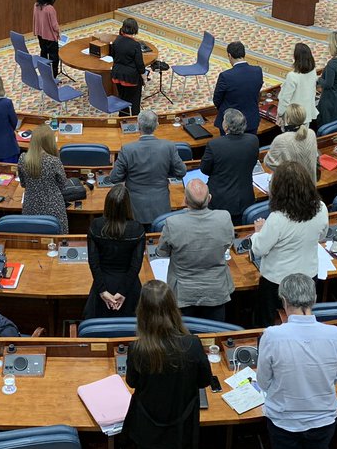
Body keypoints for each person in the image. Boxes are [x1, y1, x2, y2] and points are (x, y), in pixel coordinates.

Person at [125, 279, 212, 449]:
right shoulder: (192, 344)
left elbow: (132, 382)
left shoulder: (137, 349)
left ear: (141, 312)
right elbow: (204, 381)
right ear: (173, 309)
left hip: (148, 427)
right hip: (183, 426)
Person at [256, 272, 337, 449]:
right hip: (323, 420)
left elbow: (262, 382)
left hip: (283, 421)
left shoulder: (272, 335)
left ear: (285, 301)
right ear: (313, 299)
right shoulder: (335, 334)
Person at [250, 162, 327, 327]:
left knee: (267, 324)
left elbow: (259, 248)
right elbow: (322, 235)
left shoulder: (277, 218)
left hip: (277, 284)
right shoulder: (321, 208)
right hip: (308, 277)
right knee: (303, 322)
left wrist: (258, 232)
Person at [156, 176, 235, 320]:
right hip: (215, 290)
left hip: (183, 293)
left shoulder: (172, 223)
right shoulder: (224, 218)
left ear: (185, 201)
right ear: (209, 198)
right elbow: (228, 244)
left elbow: (162, 252)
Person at [108, 109, 185, 226]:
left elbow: (114, 178)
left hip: (134, 208)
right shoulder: (169, 146)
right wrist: (165, 172)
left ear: (138, 125)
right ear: (157, 125)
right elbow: (181, 172)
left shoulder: (127, 149)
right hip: (161, 206)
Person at [84, 184, 146, 319]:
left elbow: (93, 262)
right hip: (129, 286)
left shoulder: (96, 226)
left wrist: (102, 291)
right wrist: (123, 292)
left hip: (103, 282)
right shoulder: (137, 229)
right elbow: (136, 265)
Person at [202, 108, 260, 225]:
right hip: (246, 197)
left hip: (220, 201)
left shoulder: (214, 144)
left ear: (226, 126)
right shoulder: (253, 140)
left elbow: (205, 169)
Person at [17, 124, 68, 230]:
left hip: (30, 205)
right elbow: (63, 185)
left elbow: (23, 184)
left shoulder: (23, 159)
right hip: (53, 208)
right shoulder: (54, 161)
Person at [213, 41, 263, 133]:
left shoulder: (225, 76)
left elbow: (217, 100)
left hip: (230, 123)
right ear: (244, 54)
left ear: (230, 55)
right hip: (251, 120)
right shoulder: (258, 71)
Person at [266, 103, 318, 177]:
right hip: (310, 182)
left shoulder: (281, 139)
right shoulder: (311, 133)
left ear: (288, 119)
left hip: (290, 183)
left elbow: (269, 162)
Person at [109, 17, 147, 114]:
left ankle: (123, 117)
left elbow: (112, 55)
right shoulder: (135, 45)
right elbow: (140, 65)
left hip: (117, 75)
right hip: (131, 78)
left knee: (122, 98)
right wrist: (144, 78)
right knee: (134, 101)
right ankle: (134, 119)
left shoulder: (116, 40)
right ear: (135, 29)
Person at [277, 41, 318, 126]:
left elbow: (285, 98)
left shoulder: (292, 76)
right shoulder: (313, 71)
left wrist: (280, 113)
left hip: (293, 116)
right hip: (306, 113)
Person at [33, 0, 61, 75]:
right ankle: (53, 75)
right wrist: (59, 32)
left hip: (40, 34)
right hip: (50, 36)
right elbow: (54, 25)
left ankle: (44, 73)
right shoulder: (50, 8)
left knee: (43, 53)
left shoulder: (36, 5)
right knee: (54, 57)